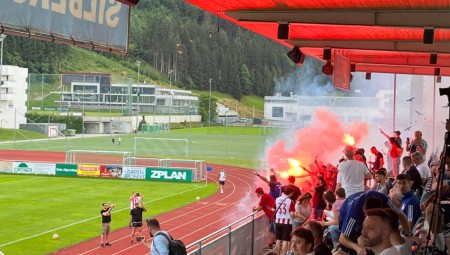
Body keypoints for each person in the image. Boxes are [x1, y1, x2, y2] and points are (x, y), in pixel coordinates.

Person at [338, 190, 410, 255]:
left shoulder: (384, 199)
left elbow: (400, 214)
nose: (363, 231)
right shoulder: (354, 211)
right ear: (364, 211)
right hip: (348, 219)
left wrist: (409, 233)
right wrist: (357, 247)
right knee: (360, 241)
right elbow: (342, 238)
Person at [275, 185, 295, 255]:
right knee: (285, 240)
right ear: (290, 193)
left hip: (278, 221)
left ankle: (277, 253)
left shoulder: (277, 199)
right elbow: (292, 214)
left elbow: (274, 209)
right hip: (287, 222)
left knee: (278, 239)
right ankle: (283, 254)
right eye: (292, 193)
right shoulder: (290, 201)